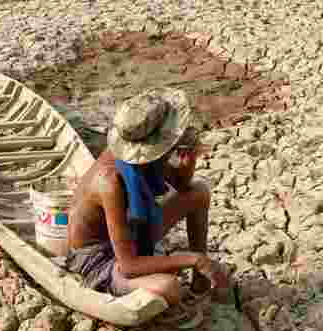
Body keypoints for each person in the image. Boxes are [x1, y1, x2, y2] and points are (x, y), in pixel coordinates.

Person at [61, 88, 229, 309]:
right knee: (169, 288)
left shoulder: (146, 160)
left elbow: (182, 186)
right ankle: (192, 271)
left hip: (132, 236)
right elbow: (129, 265)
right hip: (101, 259)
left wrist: (189, 157)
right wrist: (193, 259)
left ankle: (201, 283)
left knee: (199, 192)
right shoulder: (110, 182)